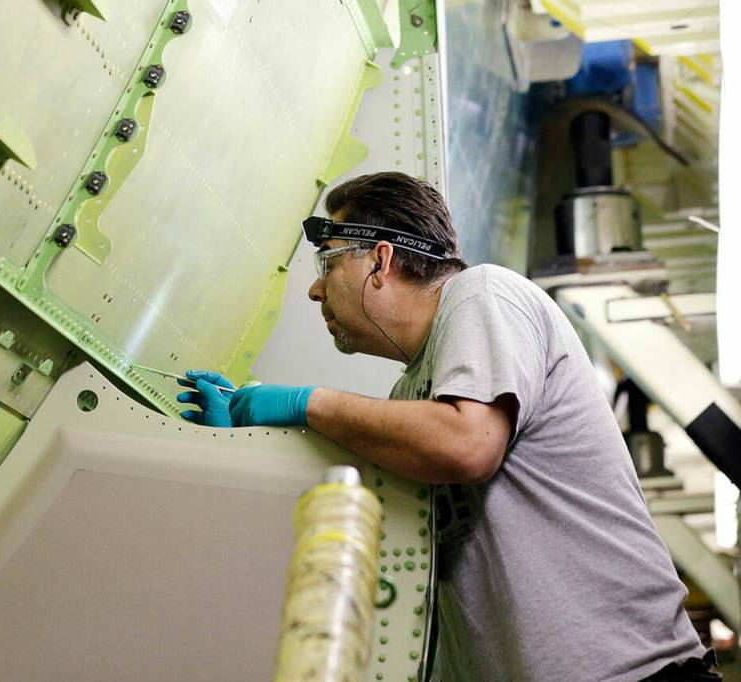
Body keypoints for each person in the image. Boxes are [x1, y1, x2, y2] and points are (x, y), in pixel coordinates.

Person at [177, 172, 716, 681]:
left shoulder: (484, 294)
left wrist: (301, 402)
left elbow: (468, 445)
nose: (316, 292)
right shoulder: (411, 397)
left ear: (379, 261)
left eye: (327, 265)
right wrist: (246, 446)